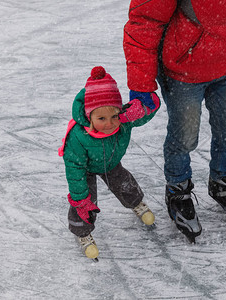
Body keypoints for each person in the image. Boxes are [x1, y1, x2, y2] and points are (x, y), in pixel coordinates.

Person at [123, 0, 226, 242]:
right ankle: (177, 190)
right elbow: (145, 22)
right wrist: (141, 84)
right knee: (184, 137)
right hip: (183, 68)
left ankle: (222, 184)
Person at [58, 66, 160, 260]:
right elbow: (74, 169)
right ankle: (83, 232)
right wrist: (80, 198)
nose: (110, 123)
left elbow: (147, 111)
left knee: (124, 183)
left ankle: (136, 203)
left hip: (111, 163)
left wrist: (148, 103)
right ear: (89, 116)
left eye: (114, 116)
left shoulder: (123, 122)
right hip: (86, 169)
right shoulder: (79, 136)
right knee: (85, 201)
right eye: (101, 118)